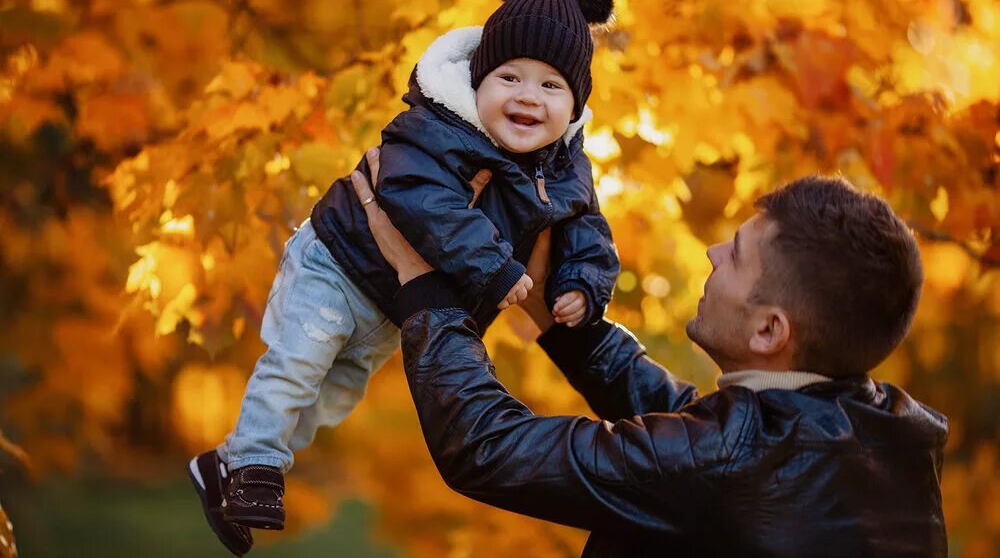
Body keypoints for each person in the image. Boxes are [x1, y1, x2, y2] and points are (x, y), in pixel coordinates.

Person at [187, 0, 621, 556]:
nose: (528, 98)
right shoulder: (438, 130)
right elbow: (420, 201)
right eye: (510, 79)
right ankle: (257, 467)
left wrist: (584, 282)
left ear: (574, 106)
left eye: (551, 86)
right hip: (339, 264)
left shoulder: (565, 169)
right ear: (477, 81)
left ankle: (230, 463)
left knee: (330, 396)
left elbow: (586, 229)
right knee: (297, 363)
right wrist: (493, 266)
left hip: (393, 308)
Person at [350, 159, 949, 557]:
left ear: (771, 330)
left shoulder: (731, 459)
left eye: (736, 256)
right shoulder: (880, 438)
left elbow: (489, 449)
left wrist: (423, 285)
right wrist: (553, 308)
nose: (713, 253)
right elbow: (694, 432)